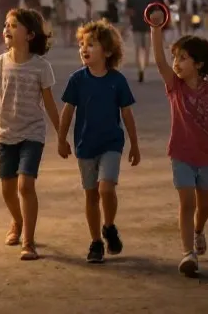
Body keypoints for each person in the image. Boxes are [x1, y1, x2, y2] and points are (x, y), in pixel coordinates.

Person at [149, 17, 208, 276]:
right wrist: (156, 29)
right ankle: (188, 253)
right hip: (181, 154)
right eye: (176, 57)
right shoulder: (174, 87)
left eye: (183, 58)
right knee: (186, 201)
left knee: (204, 205)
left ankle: (199, 230)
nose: (176, 63)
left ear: (198, 64)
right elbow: (159, 60)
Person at [0, 7, 59, 260]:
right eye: (6, 25)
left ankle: (29, 242)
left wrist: (62, 135)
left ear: (30, 35)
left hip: (32, 133)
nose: (6, 29)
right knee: (7, 190)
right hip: (5, 134)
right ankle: (17, 222)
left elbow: (50, 103)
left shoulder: (41, 67)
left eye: (13, 25)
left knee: (25, 185)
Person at [57, 20, 140, 264]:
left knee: (106, 189)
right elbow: (67, 111)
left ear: (107, 51)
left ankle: (110, 225)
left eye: (91, 44)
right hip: (85, 145)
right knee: (91, 195)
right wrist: (61, 139)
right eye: (82, 44)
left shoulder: (117, 80)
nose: (84, 48)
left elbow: (127, 114)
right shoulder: (77, 80)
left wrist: (134, 144)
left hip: (111, 143)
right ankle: (96, 241)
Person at [124, 0, 160, 82]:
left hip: (136, 24)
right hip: (148, 25)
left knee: (138, 48)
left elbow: (128, 10)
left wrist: (130, 20)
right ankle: (144, 68)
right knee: (146, 48)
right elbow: (156, 10)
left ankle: (140, 68)